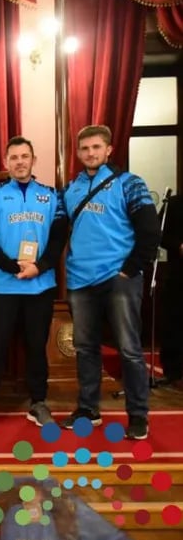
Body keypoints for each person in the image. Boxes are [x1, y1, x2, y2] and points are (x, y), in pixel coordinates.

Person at [62, 124, 159, 440]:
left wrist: (131, 269)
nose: (90, 153)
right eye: (85, 149)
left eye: (96, 147)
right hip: (80, 280)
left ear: (108, 150)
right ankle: (88, 409)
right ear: (78, 153)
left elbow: (149, 230)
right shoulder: (72, 188)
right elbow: (59, 231)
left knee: (130, 349)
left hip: (119, 278)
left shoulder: (130, 184)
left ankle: (138, 415)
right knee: (85, 347)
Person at [0, 137, 68, 428]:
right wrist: (12, 267)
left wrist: (38, 267)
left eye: (24, 156)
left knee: (36, 346)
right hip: (2, 285)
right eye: (13, 157)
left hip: (40, 285)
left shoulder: (52, 195)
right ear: (6, 162)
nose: (19, 162)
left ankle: (38, 402)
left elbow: (58, 238)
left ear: (33, 160)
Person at [158, 193, 183, 390]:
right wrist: (178, 245)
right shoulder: (174, 204)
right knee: (176, 321)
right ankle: (175, 371)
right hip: (179, 274)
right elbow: (159, 232)